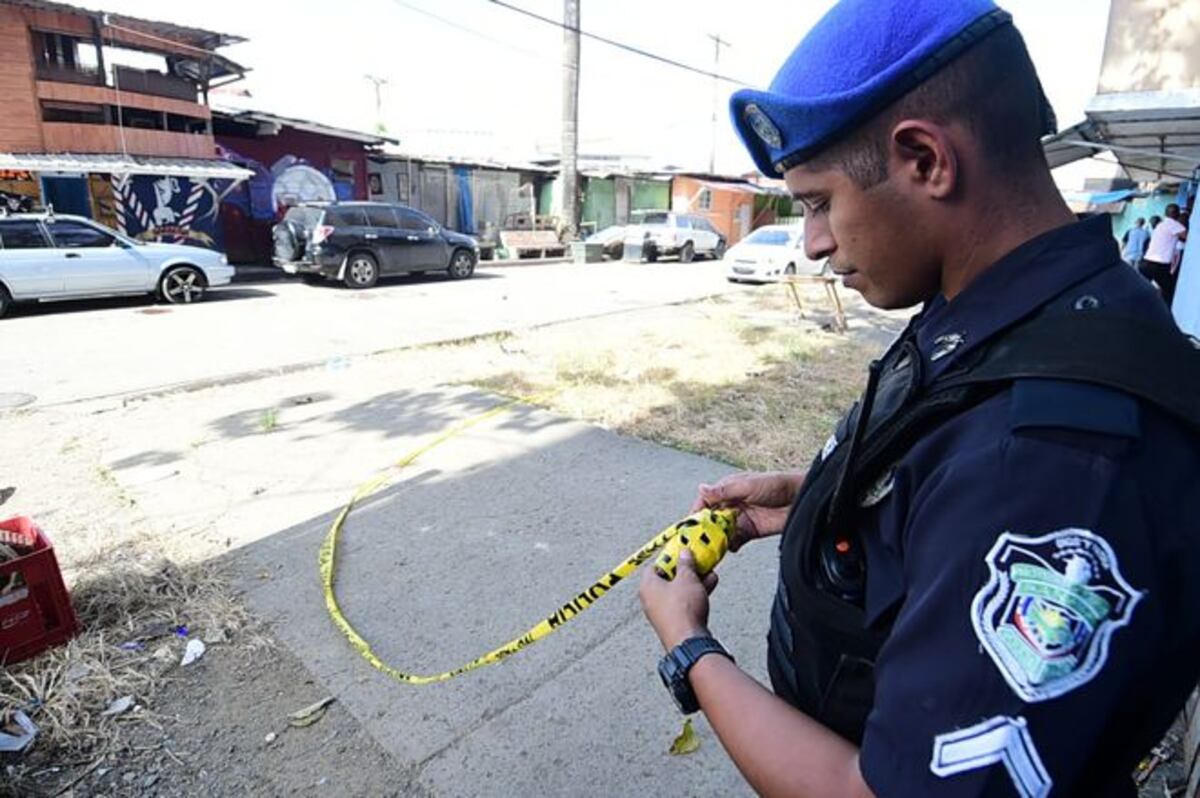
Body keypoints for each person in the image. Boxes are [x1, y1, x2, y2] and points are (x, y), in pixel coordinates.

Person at [639, 1, 1200, 795]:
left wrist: (688, 648)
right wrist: (818, 502)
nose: (814, 243)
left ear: (926, 160)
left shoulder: (1055, 460)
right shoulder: (998, 302)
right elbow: (945, 475)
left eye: (818, 202)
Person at [1139, 203, 1189, 307]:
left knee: (1141, 291)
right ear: (1177, 215)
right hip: (1159, 265)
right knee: (1169, 291)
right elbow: (1188, 237)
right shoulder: (1174, 224)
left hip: (1145, 263)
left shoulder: (1160, 225)